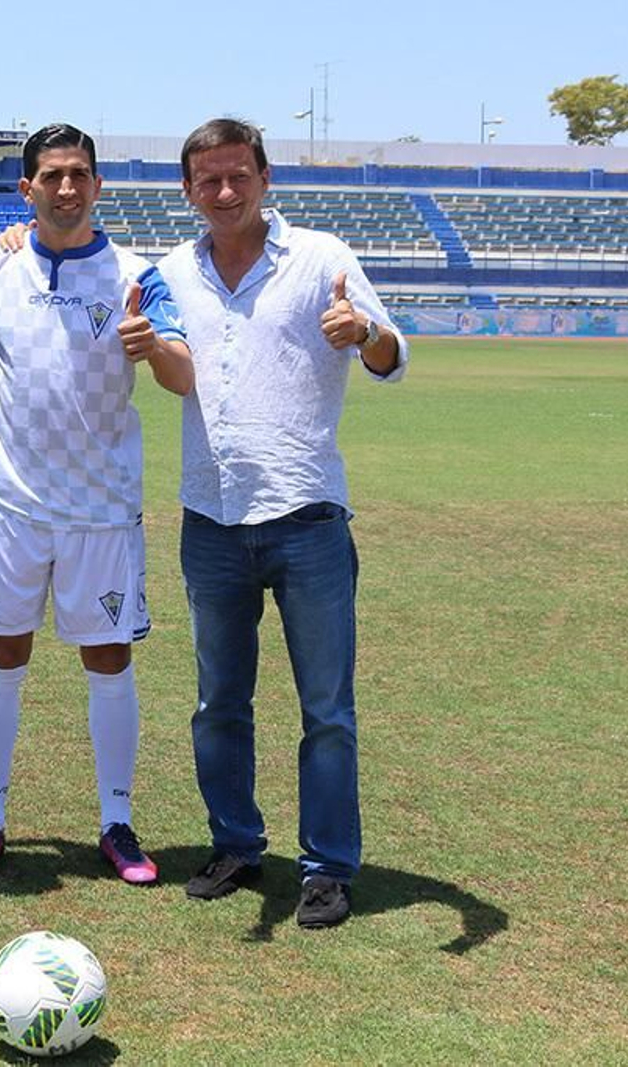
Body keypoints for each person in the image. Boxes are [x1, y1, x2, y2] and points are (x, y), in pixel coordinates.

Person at [158, 119, 408, 928]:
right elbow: (78, 249)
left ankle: (328, 867)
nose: (225, 192)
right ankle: (236, 843)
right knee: (218, 704)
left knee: (326, 709)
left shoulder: (322, 258)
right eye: (208, 180)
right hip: (212, 517)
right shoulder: (173, 270)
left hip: (308, 520)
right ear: (189, 190)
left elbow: (393, 356)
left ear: (265, 178)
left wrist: (364, 332)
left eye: (238, 176)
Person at [0, 124, 193, 887]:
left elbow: (184, 377)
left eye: (79, 173)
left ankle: (117, 821)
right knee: (1, 654)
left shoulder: (137, 273)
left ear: (96, 185)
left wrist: (154, 345)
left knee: (108, 659)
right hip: (13, 506)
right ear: (26, 188)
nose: (66, 186)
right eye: (51, 174)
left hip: (103, 507)